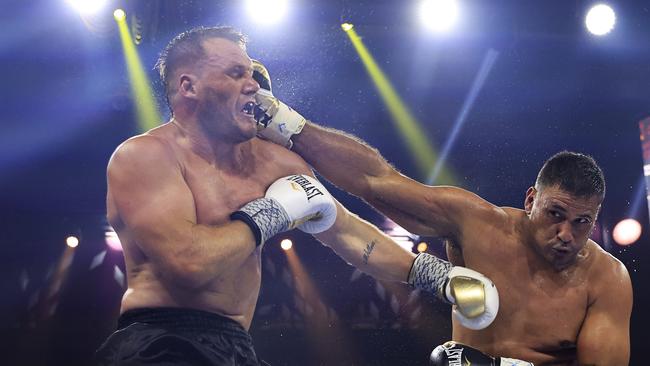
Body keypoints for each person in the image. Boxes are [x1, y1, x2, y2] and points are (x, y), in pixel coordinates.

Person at [95, 26, 499, 366]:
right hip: (159, 342)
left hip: (236, 345)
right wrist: (271, 212)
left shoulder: (272, 164)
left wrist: (438, 277)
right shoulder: (146, 157)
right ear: (189, 87)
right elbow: (189, 263)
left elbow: (349, 234)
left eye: (251, 73)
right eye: (236, 73)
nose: (252, 84)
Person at [252, 64, 633, 365]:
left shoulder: (606, 278)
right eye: (556, 214)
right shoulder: (478, 223)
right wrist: (282, 122)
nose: (566, 233)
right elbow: (376, 179)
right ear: (531, 199)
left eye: (582, 222)